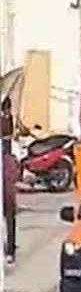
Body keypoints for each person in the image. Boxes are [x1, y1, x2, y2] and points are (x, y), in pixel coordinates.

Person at [2, 101, 16, 265]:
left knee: (9, 218)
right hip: (7, 191)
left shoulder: (8, 159)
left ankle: (10, 249)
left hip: (7, 192)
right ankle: (10, 249)